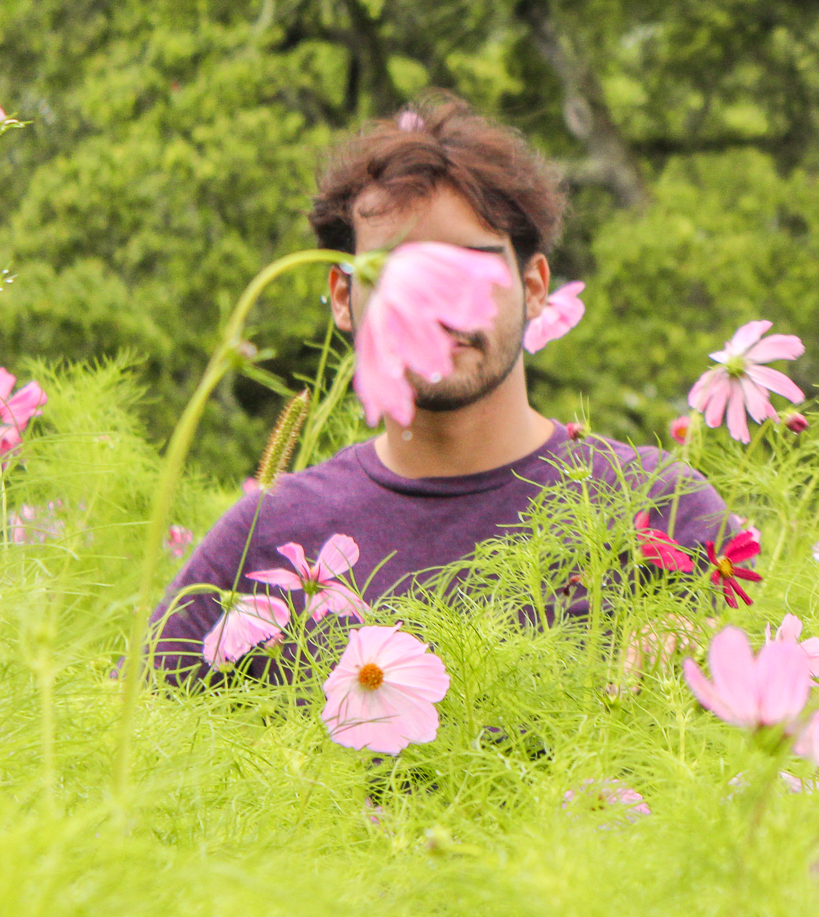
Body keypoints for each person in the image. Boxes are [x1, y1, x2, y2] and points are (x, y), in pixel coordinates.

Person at [148, 94, 727, 681]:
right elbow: (132, 740)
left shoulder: (659, 508)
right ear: (345, 297)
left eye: (466, 270)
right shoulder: (268, 536)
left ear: (534, 287)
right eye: (400, 271)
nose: (436, 307)